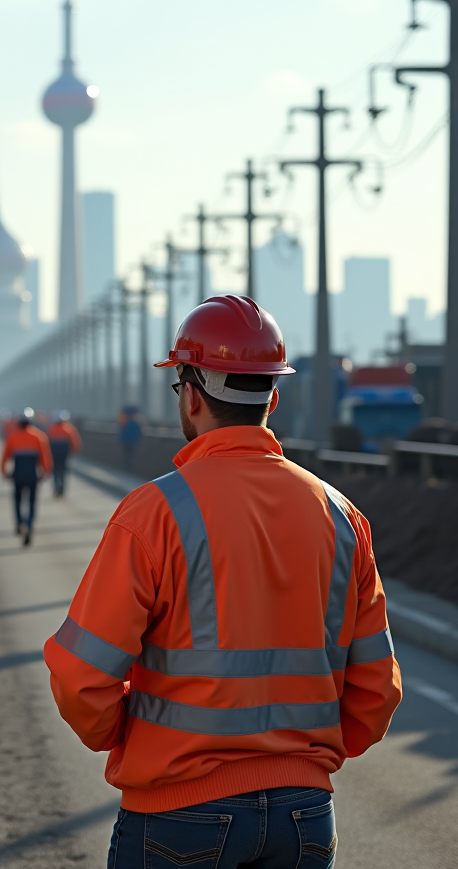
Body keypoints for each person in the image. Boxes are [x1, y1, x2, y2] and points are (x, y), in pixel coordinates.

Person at [44, 295, 401, 869]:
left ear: (189, 392)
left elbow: (82, 677)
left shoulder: (154, 514)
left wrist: (131, 736)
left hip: (179, 816)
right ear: (273, 398)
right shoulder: (342, 517)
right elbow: (377, 691)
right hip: (305, 816)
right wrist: (303, 759)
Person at [0, 407, 52, 546]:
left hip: (17, 474)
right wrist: (45, 471)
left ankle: (19, 523)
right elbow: (45, 458)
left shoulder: (13, 436)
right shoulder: (39, 436)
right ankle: (29, 525)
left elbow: (5, 457)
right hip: (33, 475)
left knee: (17, 500)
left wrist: (4, 471)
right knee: (32, 502)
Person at [47, 411, 81, 497]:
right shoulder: (68, 429)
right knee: (63, 471)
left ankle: (56, 488)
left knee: (55, 471)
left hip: (54, 453)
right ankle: (61, 488)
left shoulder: (52, 429)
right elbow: (74, 441)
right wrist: (74, 450)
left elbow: (47, 442)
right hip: (64, 454)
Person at [116, 404, 142, 472]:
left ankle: (126, 468)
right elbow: (139, 431)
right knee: (131, 455)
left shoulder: (124, 419)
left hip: (125, 441)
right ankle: (129, 469)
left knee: (126, 455)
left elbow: (121, 430)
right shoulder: (136, 420)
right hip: (132, 440)